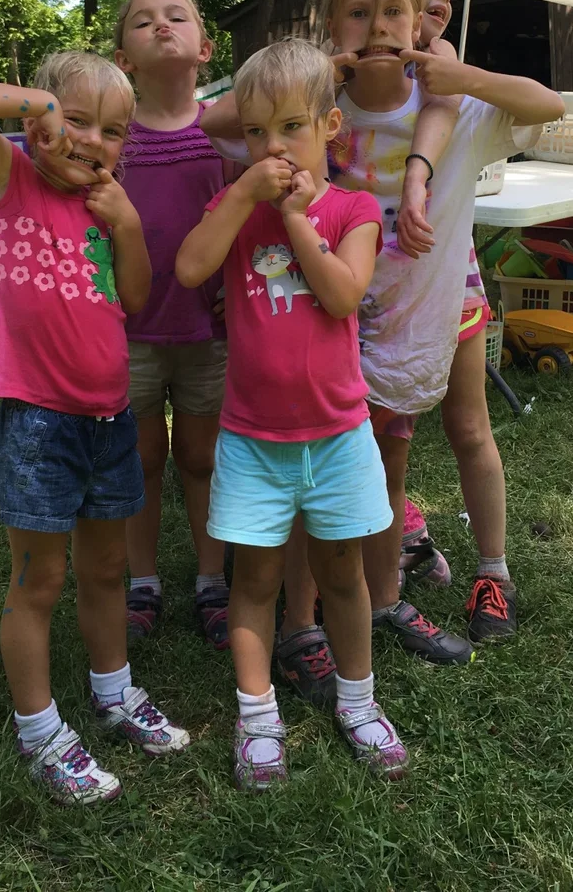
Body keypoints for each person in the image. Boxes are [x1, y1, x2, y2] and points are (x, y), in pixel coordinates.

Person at [0, 52, 190, 807]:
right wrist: (32, 103)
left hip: (110, 416)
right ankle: (39, 730)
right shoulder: (9, 174)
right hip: (38, 419)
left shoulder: (109, 204)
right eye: (75, 121)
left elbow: (135, 297)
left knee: (108, 569)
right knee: (39, 579)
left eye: (112, 131)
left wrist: (129, 223)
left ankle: (114, 693)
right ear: (39, 124)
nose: (92, 141)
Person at [176, 39, 407, 788]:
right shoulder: (236, 206)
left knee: (342, 576)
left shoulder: (353, 208)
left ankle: (358, 702)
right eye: (255, 133)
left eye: (290, 129)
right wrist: (244, 194)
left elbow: (344, 295)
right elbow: (188, 269)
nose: (272, 148)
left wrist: (301, 221)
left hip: (338, 437)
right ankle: (256, 717)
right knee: (256, 583)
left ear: (330, 126)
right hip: (252, 440)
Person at [322, 0, 564, 653]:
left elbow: (546, 105)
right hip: (349, 307)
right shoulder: (326, 106)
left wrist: (464, 75)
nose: (430, 3)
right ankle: (381, 562)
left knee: (467, 429)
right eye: (370, 9)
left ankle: (493, 572)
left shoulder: (454, 107)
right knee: (368, 450)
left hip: (444, 296)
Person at [113, 0, 231, 648]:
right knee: (141, 457)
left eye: (177, 16)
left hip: (206, 330)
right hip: (127, 331)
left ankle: (212, 579)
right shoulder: (112, 136)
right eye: (142, 22)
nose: (160, 26)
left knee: (201, 454)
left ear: (204, 49)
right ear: (123, 59)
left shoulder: (224, 130)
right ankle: (143, 580)